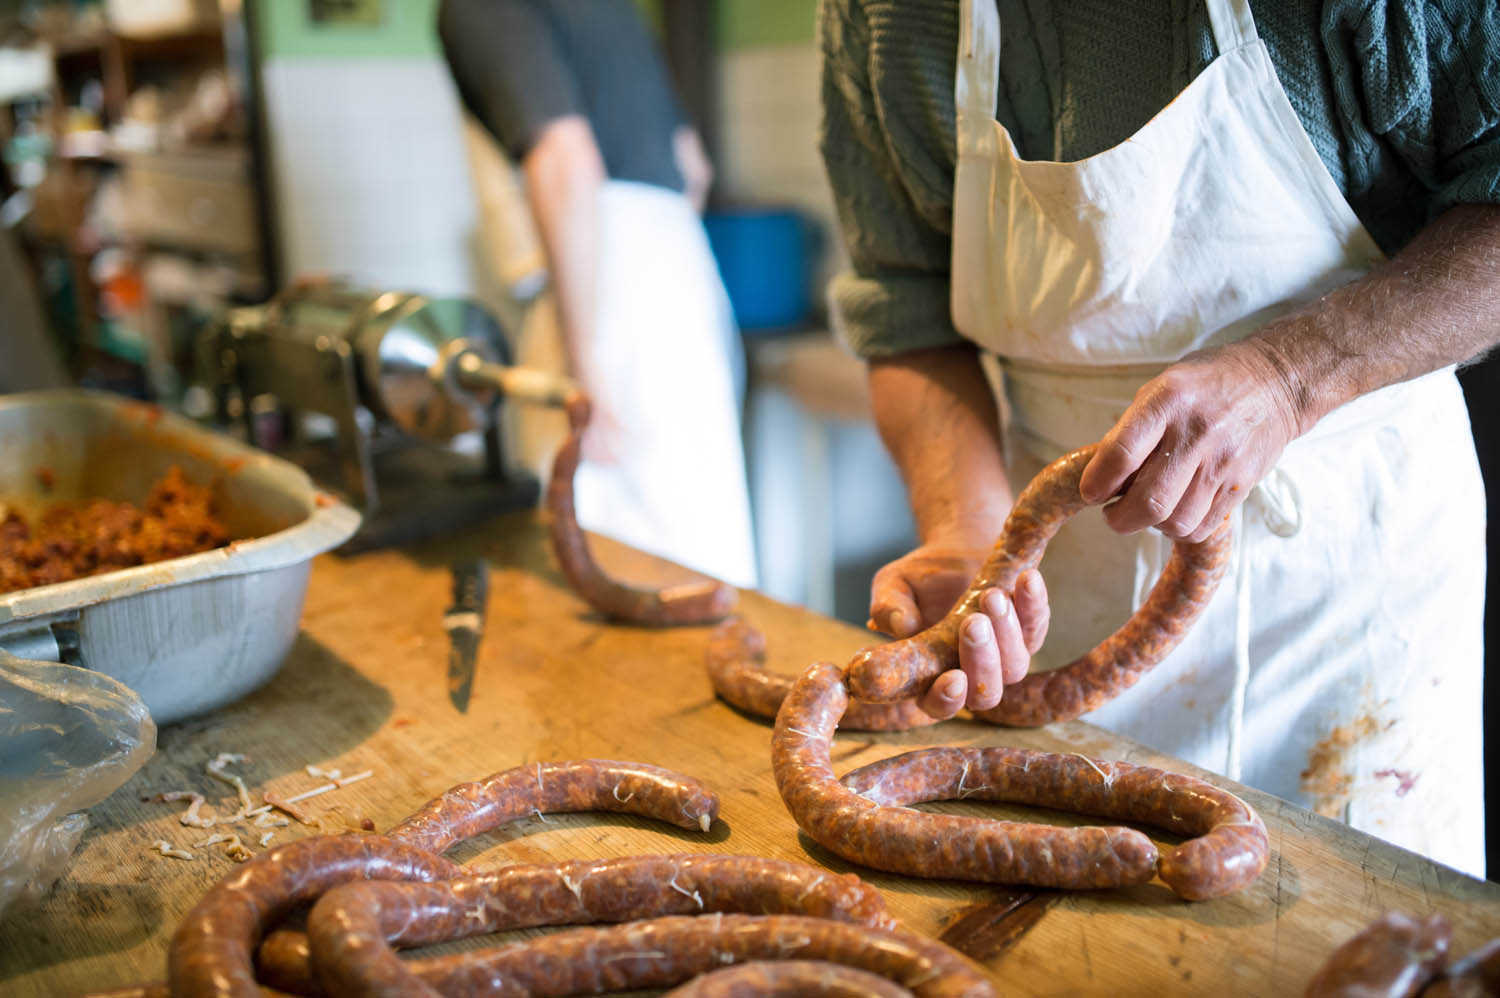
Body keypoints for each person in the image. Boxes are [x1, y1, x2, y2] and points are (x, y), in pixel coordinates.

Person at [819, 0, 1499, 877]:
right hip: (1060, 585)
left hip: (1351, 563)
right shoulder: (878, 14)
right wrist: (967, 531)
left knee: (1360, 915)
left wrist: (1290, 378)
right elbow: (904, 308)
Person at [438, 0, 757, 589]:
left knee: (606, 553)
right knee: (701, 538)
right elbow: (693, 167)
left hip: (603, 281)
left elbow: (565, 158)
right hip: (678, 268)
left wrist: (584, 362)